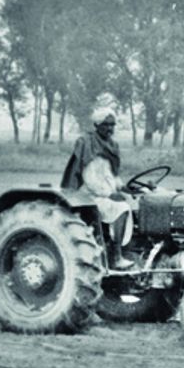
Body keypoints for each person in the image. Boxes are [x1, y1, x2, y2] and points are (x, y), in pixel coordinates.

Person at [61, 107, 134, 269]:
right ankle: (117, 257)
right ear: (97, 125)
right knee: (121, 208)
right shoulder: (87, 143)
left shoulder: (112, 145)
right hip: (88, 195)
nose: (110, 128)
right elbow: (90, 178)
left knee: (134, 205)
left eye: (112, 125)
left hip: (104, 193)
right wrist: (109, 194)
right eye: (106, 125)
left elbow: (112, 176)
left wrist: (127, 188)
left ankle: (134, 251)